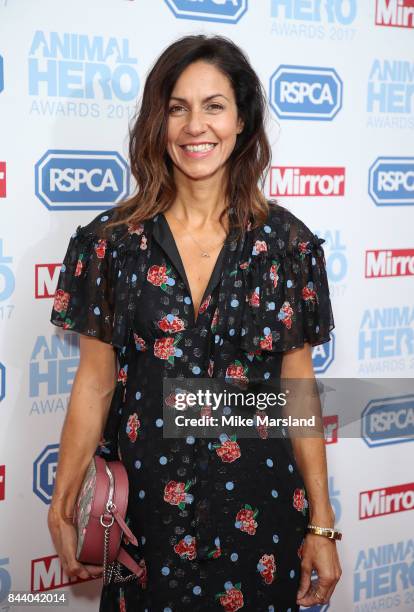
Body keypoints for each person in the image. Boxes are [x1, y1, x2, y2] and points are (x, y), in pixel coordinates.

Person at [48, 34, 342, 612]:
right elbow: (95, 382)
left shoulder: (287, 246)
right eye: (178, 107)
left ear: (241, 121)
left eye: (214, 106)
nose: (194, 126)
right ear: (158, 122)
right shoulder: (110, 244)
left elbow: (297, 389)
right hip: (144, 520)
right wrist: (62, 504)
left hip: (261, 521)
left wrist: (323, 524)